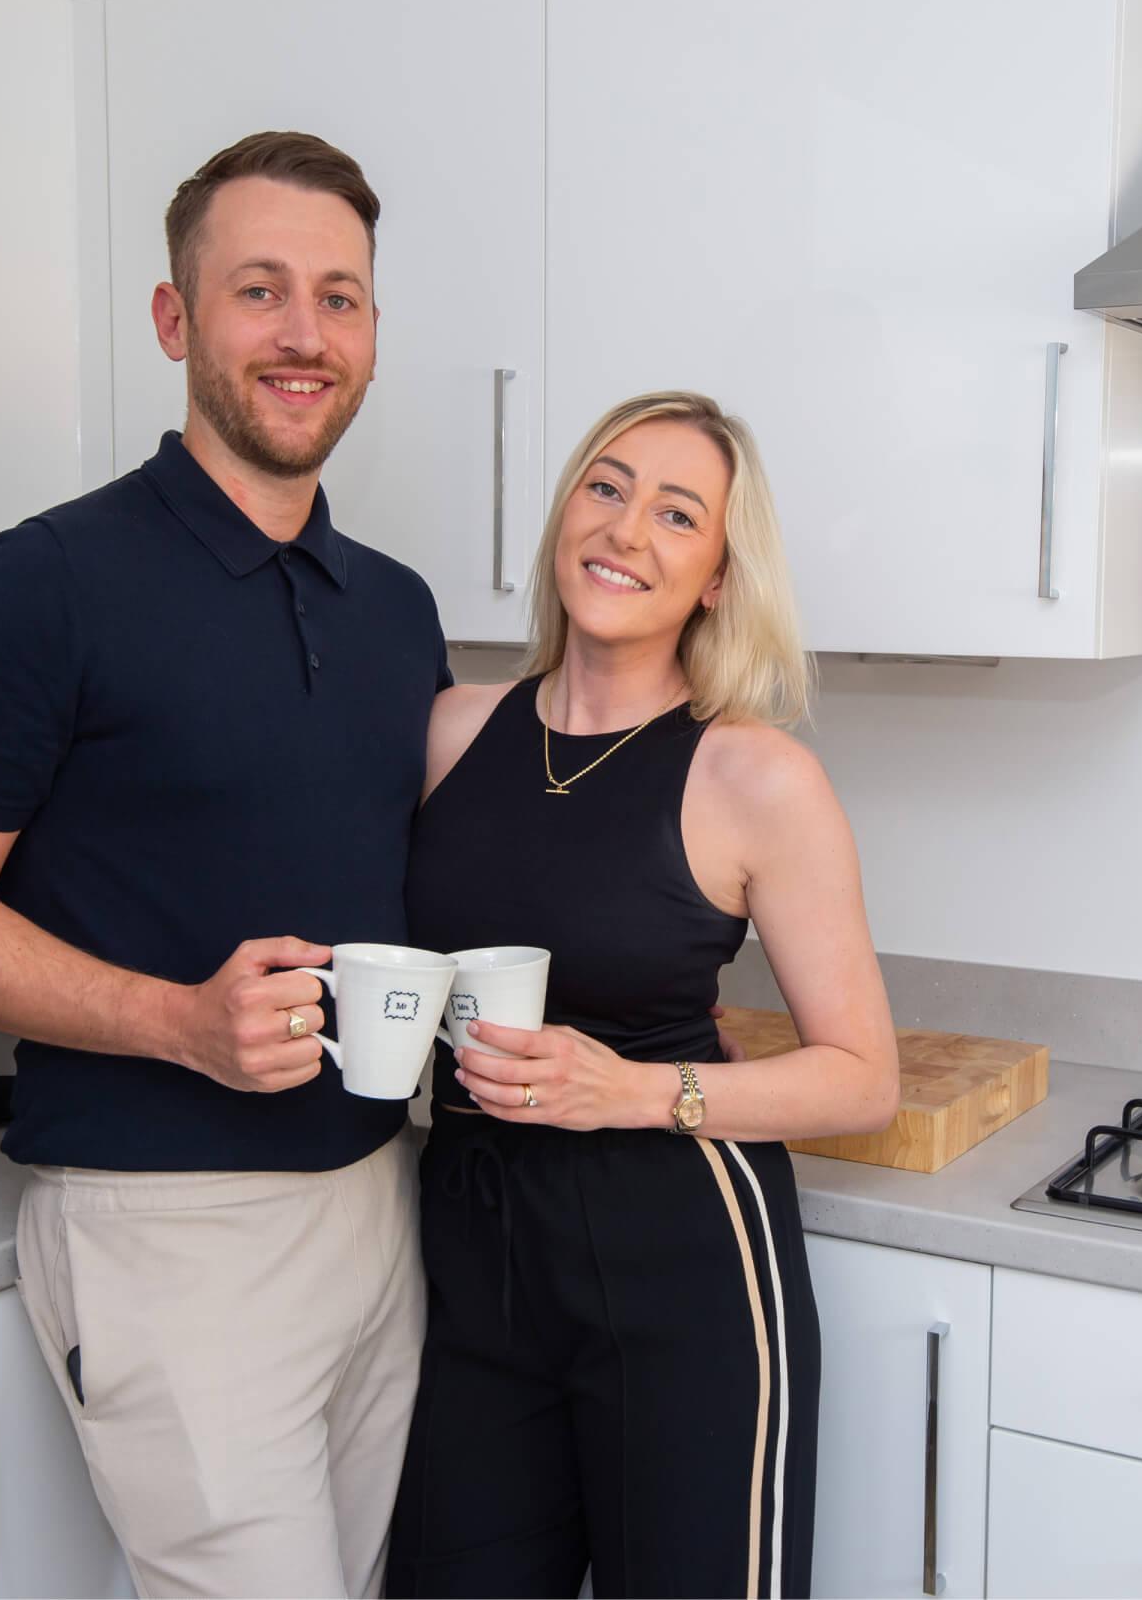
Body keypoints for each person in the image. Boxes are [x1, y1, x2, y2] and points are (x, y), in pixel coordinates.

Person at [0, 131, 447, 1598]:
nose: (302, 335)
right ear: (174, 320)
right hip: (168, 1231)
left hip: (375, 1207)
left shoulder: (396, 610)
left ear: (374, 335)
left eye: (339, 298)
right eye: (257, 290)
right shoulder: (41, 585)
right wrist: (178, 1023)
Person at [384, 392, 901, 1599]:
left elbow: (862, 1076)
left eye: (678, 514)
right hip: (473, 1248)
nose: (626, 530)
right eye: (605, 488)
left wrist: (625, 1090)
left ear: (719, 575)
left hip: (682, 1256)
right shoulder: (453, 731)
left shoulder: (752, 772)